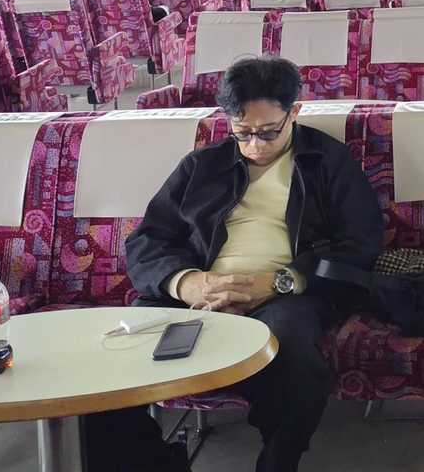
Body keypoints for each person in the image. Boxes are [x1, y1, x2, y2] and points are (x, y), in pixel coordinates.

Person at [114, 56, 383, 472]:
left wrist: (281, 281)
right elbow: (147, 240)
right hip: (202, 291)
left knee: (294, 357)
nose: (255, 145)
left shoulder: (327, 162)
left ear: (295, 111)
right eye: (242, 133)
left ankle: (277, 461)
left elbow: (360, 242)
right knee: (117, 359)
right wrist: (188, 283)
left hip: (286, 293)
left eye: (269, 132)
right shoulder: (202, 166)